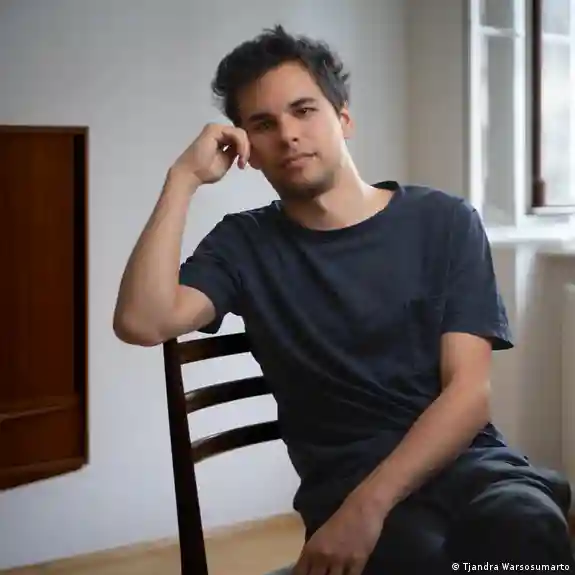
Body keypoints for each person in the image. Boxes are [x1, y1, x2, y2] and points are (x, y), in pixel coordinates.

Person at [114, 25, 574, 574]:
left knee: (526, 528)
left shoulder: (444, 221)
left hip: (469, 464)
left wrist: (368, 507)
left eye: (304, 110)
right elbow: (142, 321)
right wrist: (182, 178)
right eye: (263, 124)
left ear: (344, 118)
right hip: (345, 486)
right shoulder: (243, 244)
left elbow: (469, 394)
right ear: (246, 152)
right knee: (422, 559)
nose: (288, 135)